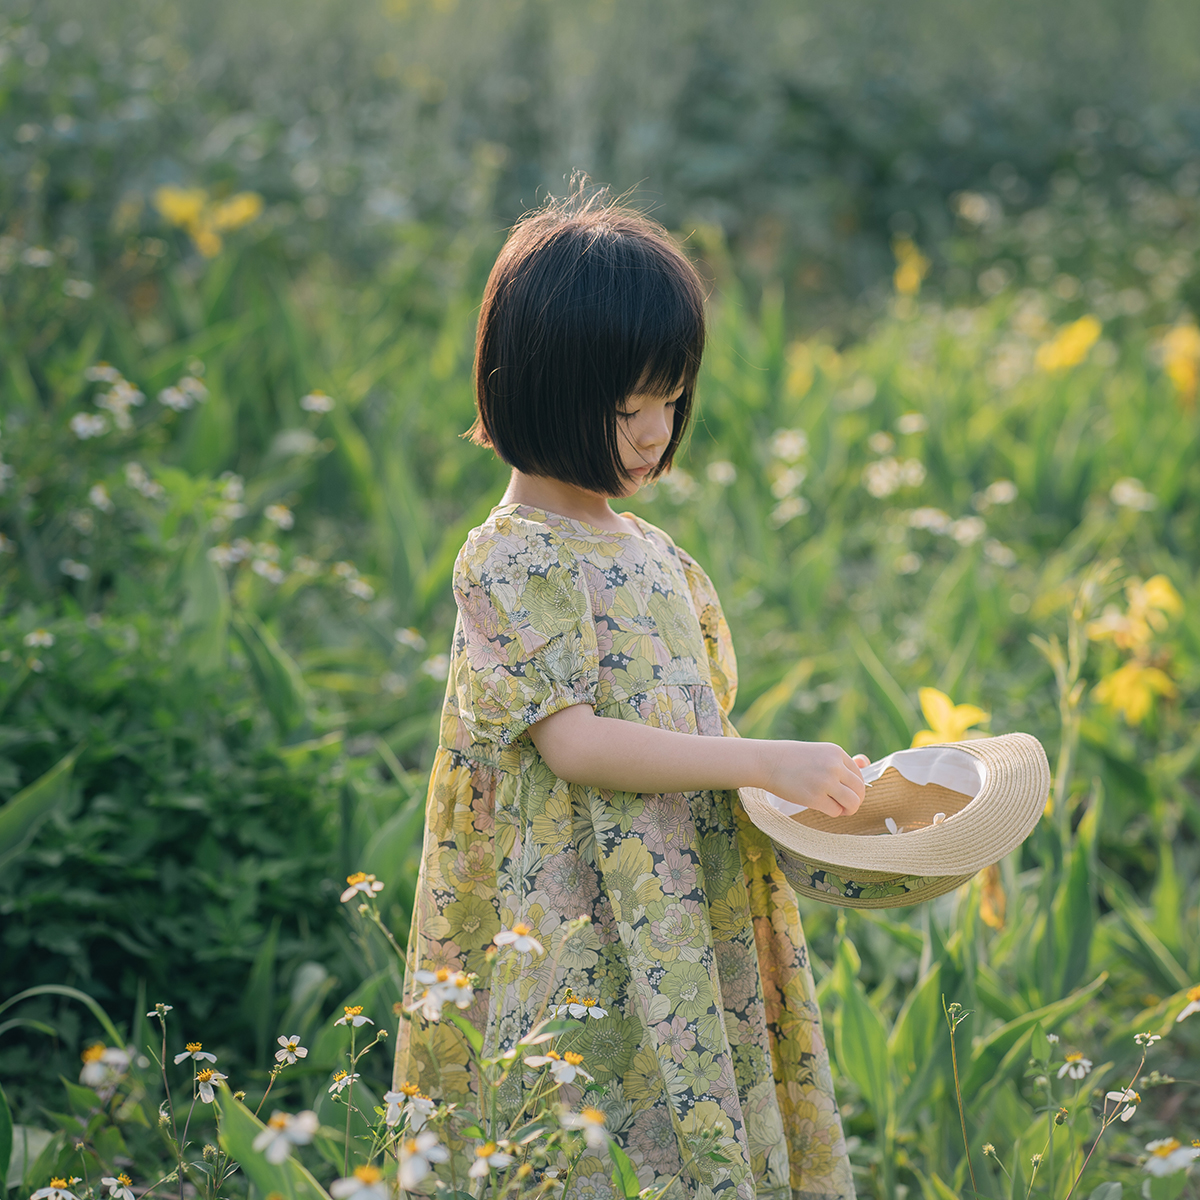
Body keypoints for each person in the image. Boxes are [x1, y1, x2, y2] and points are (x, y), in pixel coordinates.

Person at [394, 189, 866, 1200]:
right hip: (585, 907)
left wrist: (796, 796)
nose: (655, 433)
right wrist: (763, 761)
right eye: (625, 408)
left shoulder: (654, 552)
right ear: (536, 392)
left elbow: (691, 730)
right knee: (595, 1124)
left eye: (670, 400)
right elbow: (577, 746)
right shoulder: (512, 559)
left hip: (686, 900)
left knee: (693, 1101)